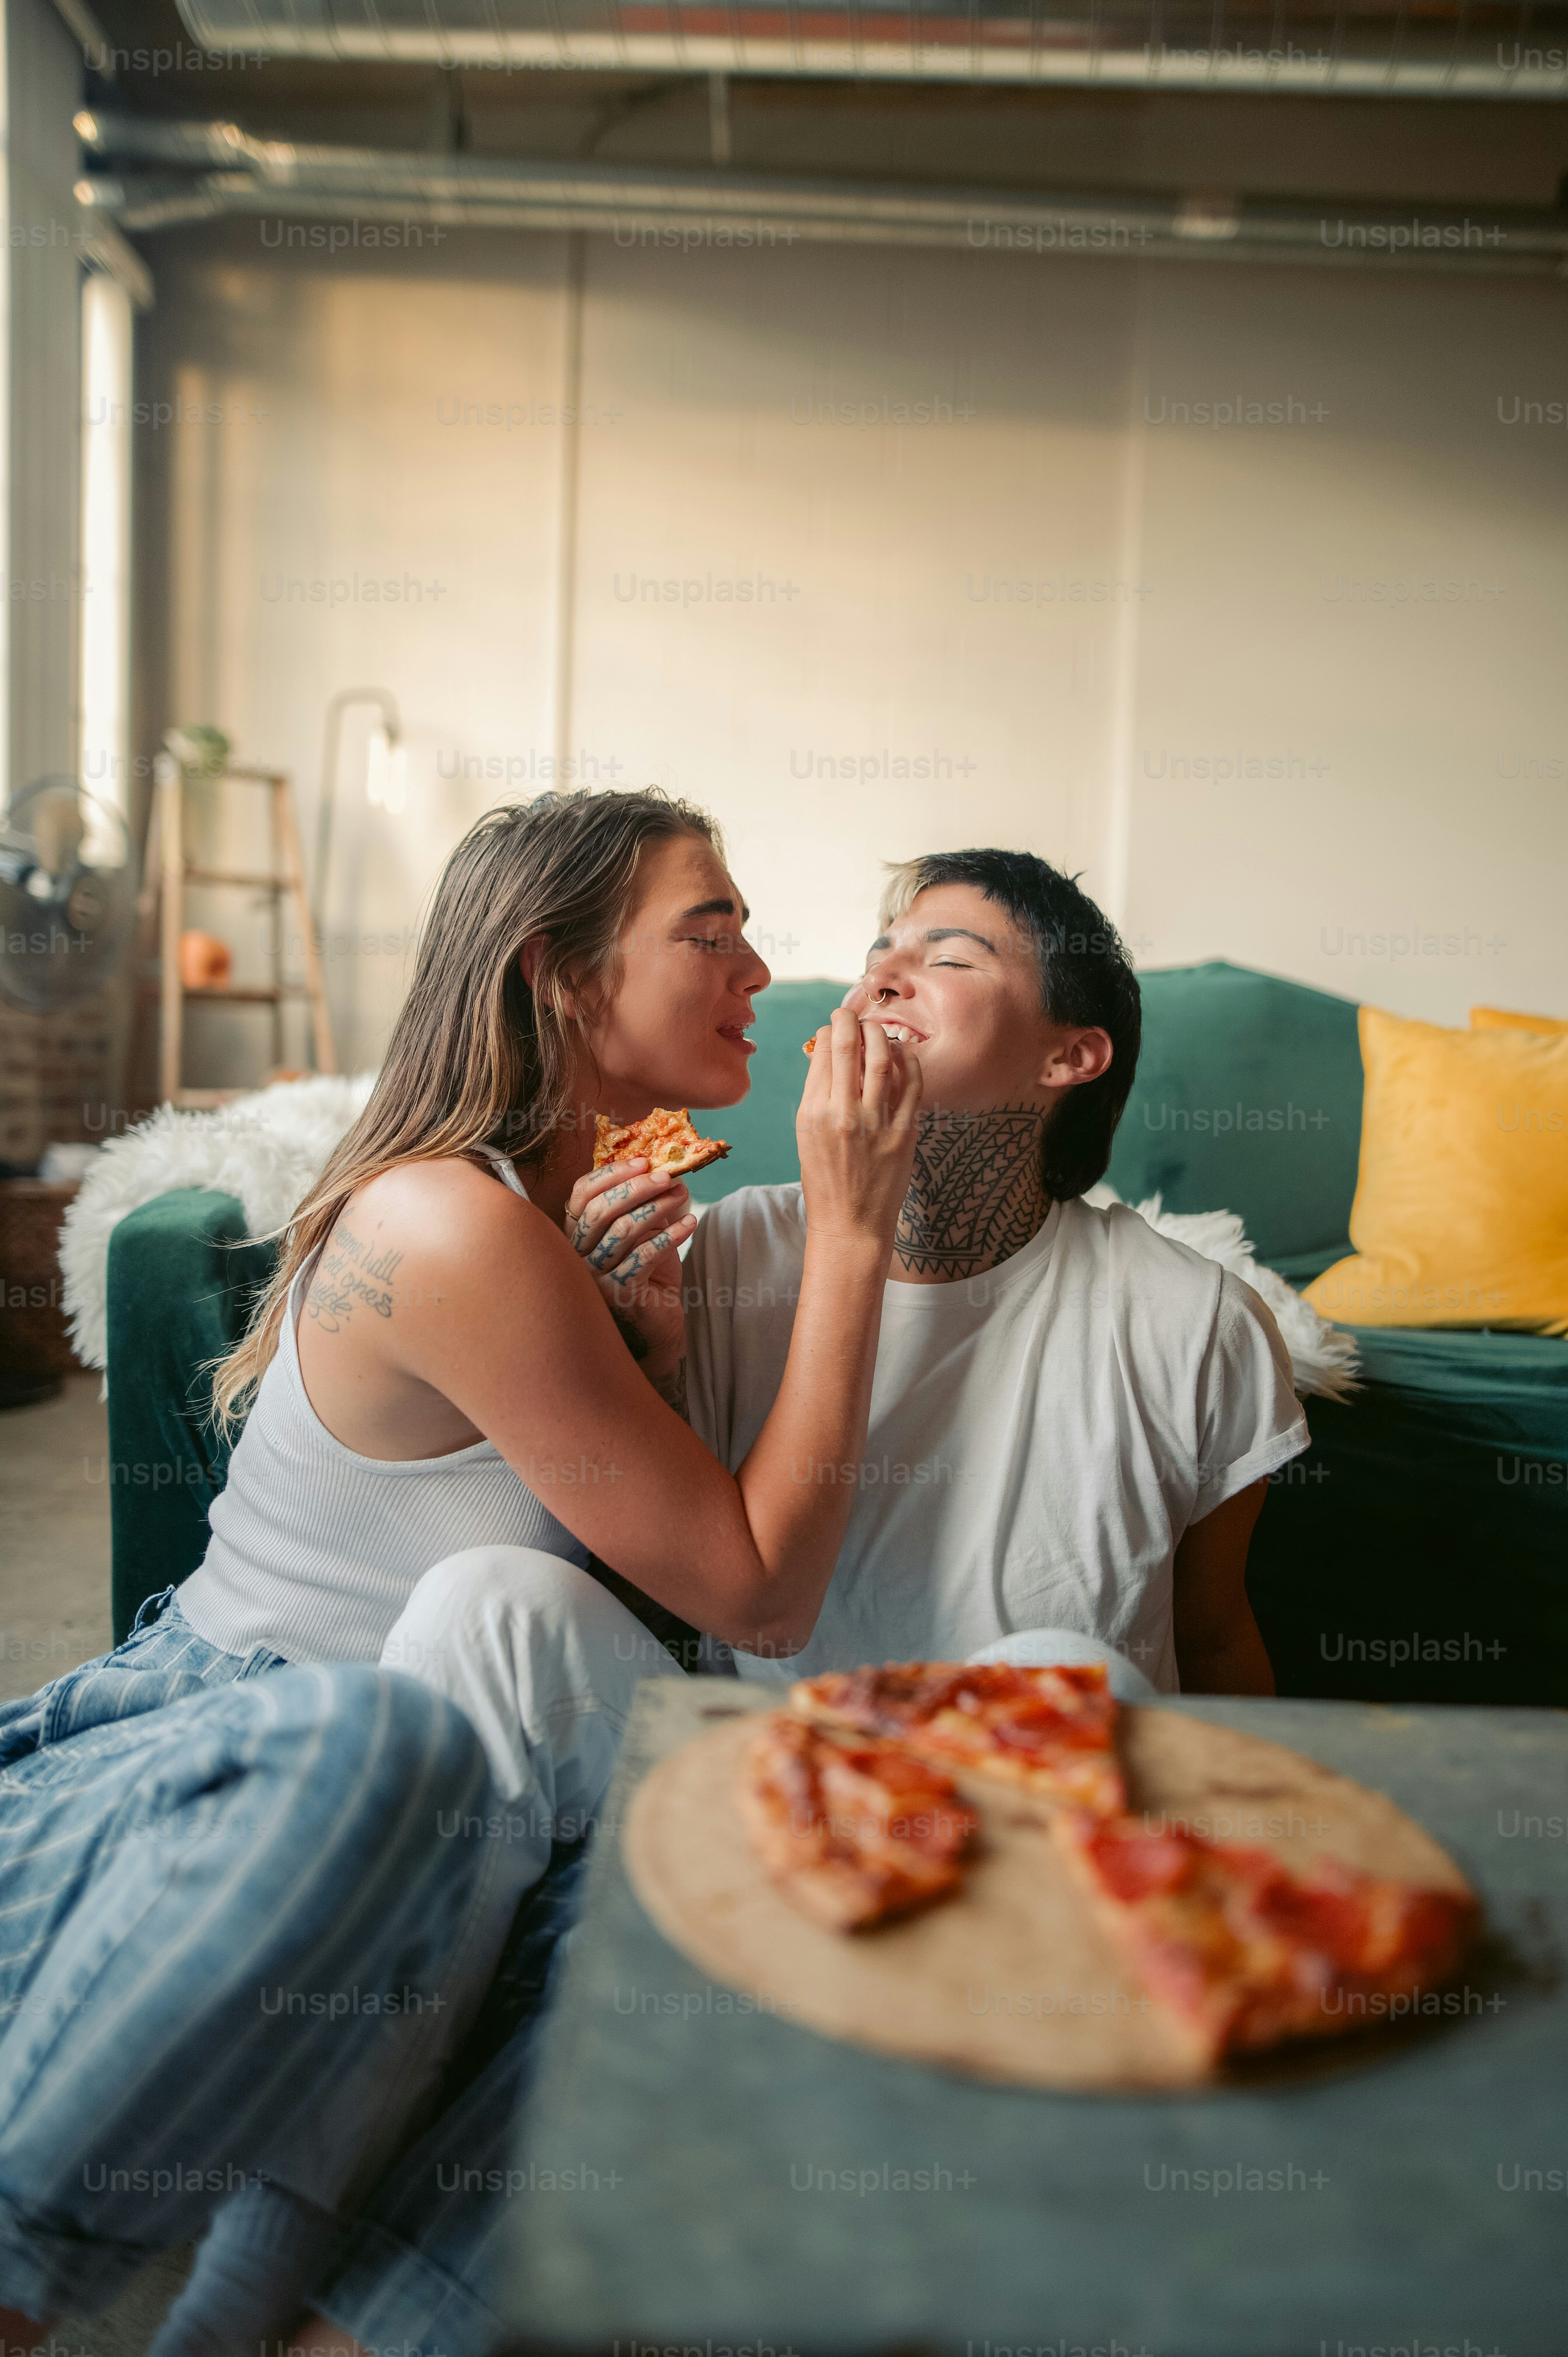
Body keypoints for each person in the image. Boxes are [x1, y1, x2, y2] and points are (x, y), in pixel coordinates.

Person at [0, 788, 921, 2357]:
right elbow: (761, 1595)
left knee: (692, 1917)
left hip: (427, 1771)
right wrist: (851, 1238)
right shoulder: (453, 1226)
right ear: (554, 972)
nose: (761, 972)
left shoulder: (534, 1220)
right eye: (710, 930)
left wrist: (641, 1361)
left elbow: (591, 1598)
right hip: (244, 1764)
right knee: (496, 1794)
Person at [684, 847, 1309, 1696]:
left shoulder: (1196, 1321)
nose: (880, 981)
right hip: (787, 1759)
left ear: (1068, 1057)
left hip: (1053, 1764)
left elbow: (1214, 1637)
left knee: (1050, 1664)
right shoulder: (735, 1251)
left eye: (947, 960)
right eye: (877, 957)